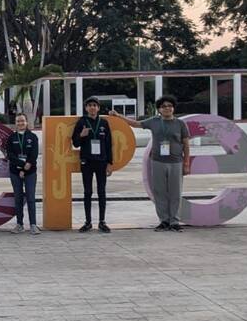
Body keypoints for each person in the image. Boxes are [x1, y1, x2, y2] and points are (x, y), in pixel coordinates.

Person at [113, 95, 191, 232]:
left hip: (176, 162)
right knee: (159, 192)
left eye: (169, 106)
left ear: (173, 108)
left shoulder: (180, 124)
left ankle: (174, 221)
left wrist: (186, 163)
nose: (167, 108)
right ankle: (164, 221)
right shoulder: (154, 121)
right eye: (164, 106)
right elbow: (136, 124)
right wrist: (119, 116)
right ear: (159, 109)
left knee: (175, 193)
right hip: (158, 162)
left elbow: (186, 144)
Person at [72, 96, 114, 233]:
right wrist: (82, 135)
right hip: (87, 162)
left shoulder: (104, 123)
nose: (92, 107)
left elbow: (108, 144)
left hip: (101, 162)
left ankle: (102, 222)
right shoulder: (81, 122)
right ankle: (88, 222)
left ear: (98, 108)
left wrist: (110, 163)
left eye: (94, 105)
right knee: (87, 192)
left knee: (102, 192)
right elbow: (75, 143)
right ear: (86, 108)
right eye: (89, 105)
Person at [6, 112, 40, 234]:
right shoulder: (11, 138)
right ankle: (19, 224)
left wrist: (25, 169)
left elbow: (34, 155)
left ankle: (33, 225)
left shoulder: (33, 137)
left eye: (22, 121)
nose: (20, 123)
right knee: (18, 198)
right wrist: (21, 167)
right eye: (18, 121)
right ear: (15, 123)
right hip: (15, 172)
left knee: (31, 198)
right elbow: (10, 155)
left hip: (30, 172)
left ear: (26, 122)